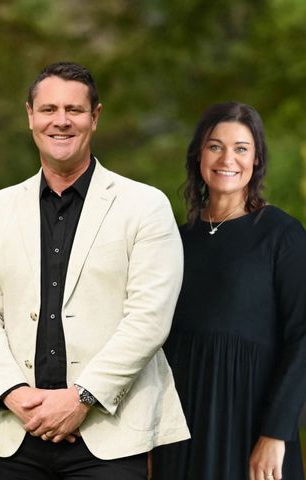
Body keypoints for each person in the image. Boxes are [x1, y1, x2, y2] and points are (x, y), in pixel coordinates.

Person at [0, 61, 189, 479]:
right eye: (48, 109)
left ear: (95, 117)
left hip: (110, 435)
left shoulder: (145, 206)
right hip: (17, 433)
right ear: (30, 116)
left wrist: (81, 398)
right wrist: (13, 392)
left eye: (74, 110)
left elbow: (149, 319)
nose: (61, 121)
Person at [152, 102, 306, 480]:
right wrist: (151, 436)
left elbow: (302, 337)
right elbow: (156, 342)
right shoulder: (176, 240)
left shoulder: (282, 235)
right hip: (180, 425)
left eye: (241, 148)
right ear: (199, 155)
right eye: (215, 146)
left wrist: (276, 433)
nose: (227, 159)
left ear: (256, 159)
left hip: (250, 424)